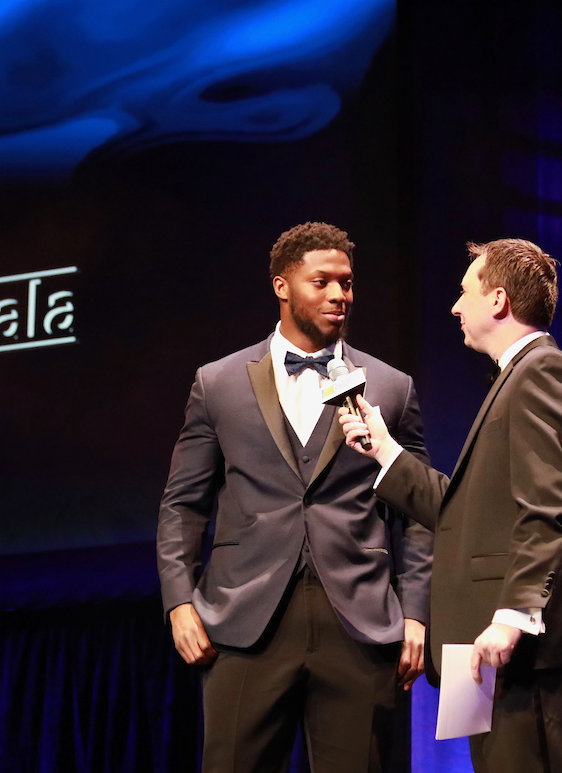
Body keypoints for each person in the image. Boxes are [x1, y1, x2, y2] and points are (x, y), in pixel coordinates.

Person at [156, 222, 433, 773]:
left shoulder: (391, 386)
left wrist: (417, 613)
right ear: (282, 287)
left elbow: (420, 513)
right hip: (244, 621)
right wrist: (179, 601)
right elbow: (182, 504)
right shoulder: (218, 383)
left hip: (360, 623)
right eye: (321, 282)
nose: (339, 295)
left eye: (346, 283)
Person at [339, 238, 562, 773]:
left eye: (465, 292)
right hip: (485, 646)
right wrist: (384, 450)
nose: (456, 306)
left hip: (516, 648)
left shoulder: (543, 372)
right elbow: (463, 514)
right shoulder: (514, 378)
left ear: (498, 300)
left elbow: (549, 508)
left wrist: (513, 615)